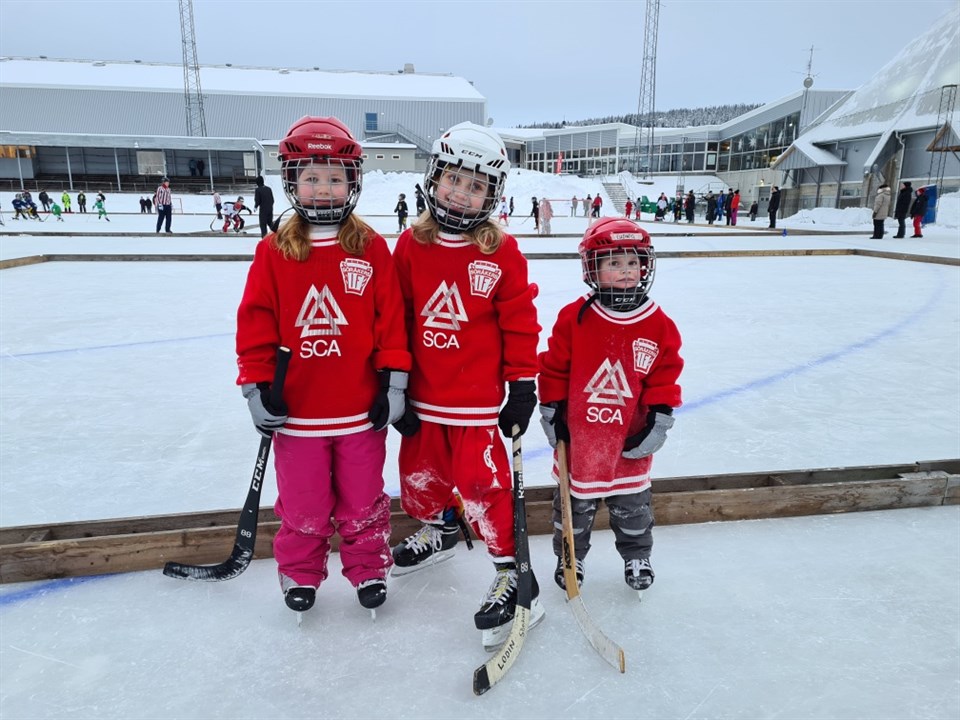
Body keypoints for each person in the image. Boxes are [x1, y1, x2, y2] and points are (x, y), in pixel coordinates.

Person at [236, 115, 413, 617]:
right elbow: (255, 324)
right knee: (304, 504)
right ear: (291, 182)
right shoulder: (273, 252)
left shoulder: (371, 247)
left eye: (335, 177)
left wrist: (393, 384)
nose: (323, 188)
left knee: (363, 499)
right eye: (311, 177)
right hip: (298, 415)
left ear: (352, 182)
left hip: (359, 412)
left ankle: (368, 566)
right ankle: (300, 571)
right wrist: (255, 388)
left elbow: (390, 322)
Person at [390, 121, 545, 650]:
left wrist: (521, 384)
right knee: (419, 478)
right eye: (454, 179)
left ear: (492, 195)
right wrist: (394, 380)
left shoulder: (500, 252)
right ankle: (441, 530)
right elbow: (395, 317)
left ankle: (513, 572)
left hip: (474, 404)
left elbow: (520, 324)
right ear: (434, 178)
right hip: (422, 397)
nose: (461, 193)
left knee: (482, 486)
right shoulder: (411, 245)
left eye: (476, 185)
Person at [537, 217, 683, 595]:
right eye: (614, 263)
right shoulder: (575, 317)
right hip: (582, 438)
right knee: (574, 507)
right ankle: (571, 556)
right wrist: (551, 408)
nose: (626, 271)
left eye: (633, 262)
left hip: (627, 439)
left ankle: (637, 555)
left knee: (633, 505)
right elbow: (554, 367)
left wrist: (659, 417)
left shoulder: (657, 323)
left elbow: (665, 374)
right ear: (593, 268)